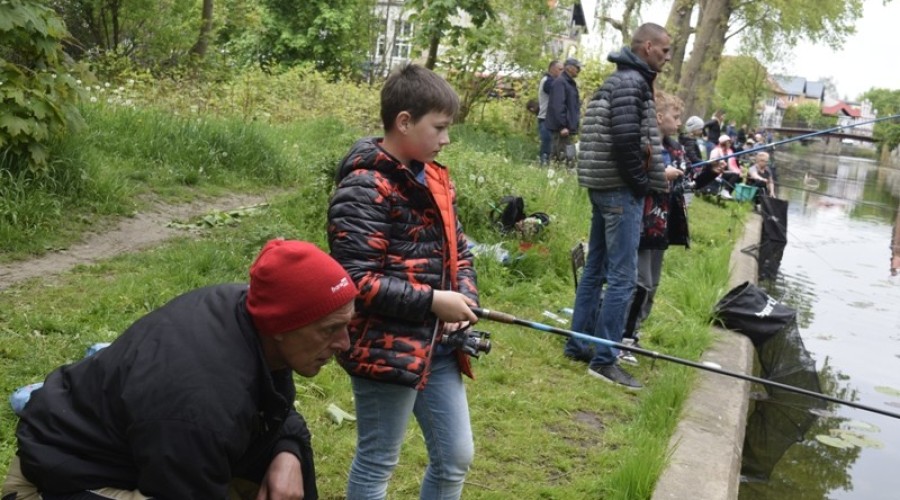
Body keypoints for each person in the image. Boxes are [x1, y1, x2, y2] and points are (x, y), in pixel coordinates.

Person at [2, 238, 360, 499]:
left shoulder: (255, 316)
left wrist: (288, 452)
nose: (344, 343)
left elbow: (275, 408)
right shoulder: (201, 404)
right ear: (281, 327)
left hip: (147, 452)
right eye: (329, 330)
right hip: (62, 477)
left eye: (346, 325)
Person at [327, 63, 480, 500]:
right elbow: (356, 281)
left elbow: (460, 253)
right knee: (378, 462)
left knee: (455, 457)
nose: (446, 139)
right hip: (384, 348)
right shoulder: (365, 186)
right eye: (440, 128)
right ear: (404, 122)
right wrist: (434, 301)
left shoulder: (433, 178)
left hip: (439, 346)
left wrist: (462, 303)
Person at [565, 22, 673, 390]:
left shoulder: (619, 80)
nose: (667, 57)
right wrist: (642, 186)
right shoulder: (632, 84)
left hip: (603, 186)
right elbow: (628, 140)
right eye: (664, 50)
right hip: (619, 191)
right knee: (624, 278)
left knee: (595, 268)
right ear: (646, 47)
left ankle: (580, 344)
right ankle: (605, 358)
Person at [620, 92, 723, 364]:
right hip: (640, 224)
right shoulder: (645, 146)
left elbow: (689, 184)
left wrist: (711, 171)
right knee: (639, 284)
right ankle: (622, 339)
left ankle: (634, 332)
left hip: (662, 228)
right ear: (659, 117)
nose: (679, 122)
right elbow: (633, 178)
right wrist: (660, 175)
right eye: (676, 117)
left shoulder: (677, 149)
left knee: (652, 285)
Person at [545, 57, 582, 167]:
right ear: (569, 68)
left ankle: (562, 180)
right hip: (562, 129)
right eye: (577, 67)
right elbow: (558, 105)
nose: (579, 70)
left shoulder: (569, 83)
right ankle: (553, 181)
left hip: (568, 129)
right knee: (561, 158)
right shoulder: (560, 82)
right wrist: (562, 126)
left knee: (568, 158)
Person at [538, 60, 563, 165]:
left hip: (551, 120)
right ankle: (543, 167)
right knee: (547, 147)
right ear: (552, 69)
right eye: (560, 69)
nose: (562, 72)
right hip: (545, 119)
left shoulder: (552, 81)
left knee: (552, 147)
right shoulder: (548, 81)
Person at [710, 134, 741, 198]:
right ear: (724, 143)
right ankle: (725, 191)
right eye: (728, 142)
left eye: (730, 142)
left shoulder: (730, 152)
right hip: (716, 171)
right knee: (735, 175)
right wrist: (720, 163)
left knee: (737, 176)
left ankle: (726, 192)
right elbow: (712, 162)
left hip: (723, 172)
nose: (730, 144)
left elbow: (732, 165)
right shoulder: (716, 151)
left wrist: (738, 171)